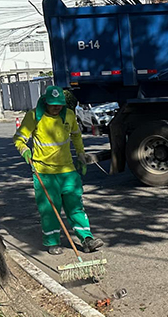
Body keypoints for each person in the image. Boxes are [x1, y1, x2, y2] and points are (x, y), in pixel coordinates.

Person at [13, 85, 103, 255]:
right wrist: (25, 151)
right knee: (49, 209)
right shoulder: (34, 116)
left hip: (68, 171)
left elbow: (76, 135)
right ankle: (52, 242)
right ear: (46, 102)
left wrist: (81, 154)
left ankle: (87, 239)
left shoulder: (68, 115)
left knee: (75, 206)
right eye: (53, 104)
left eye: (59, 104)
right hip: (44, 172)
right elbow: (19, 138)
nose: (57, 107)